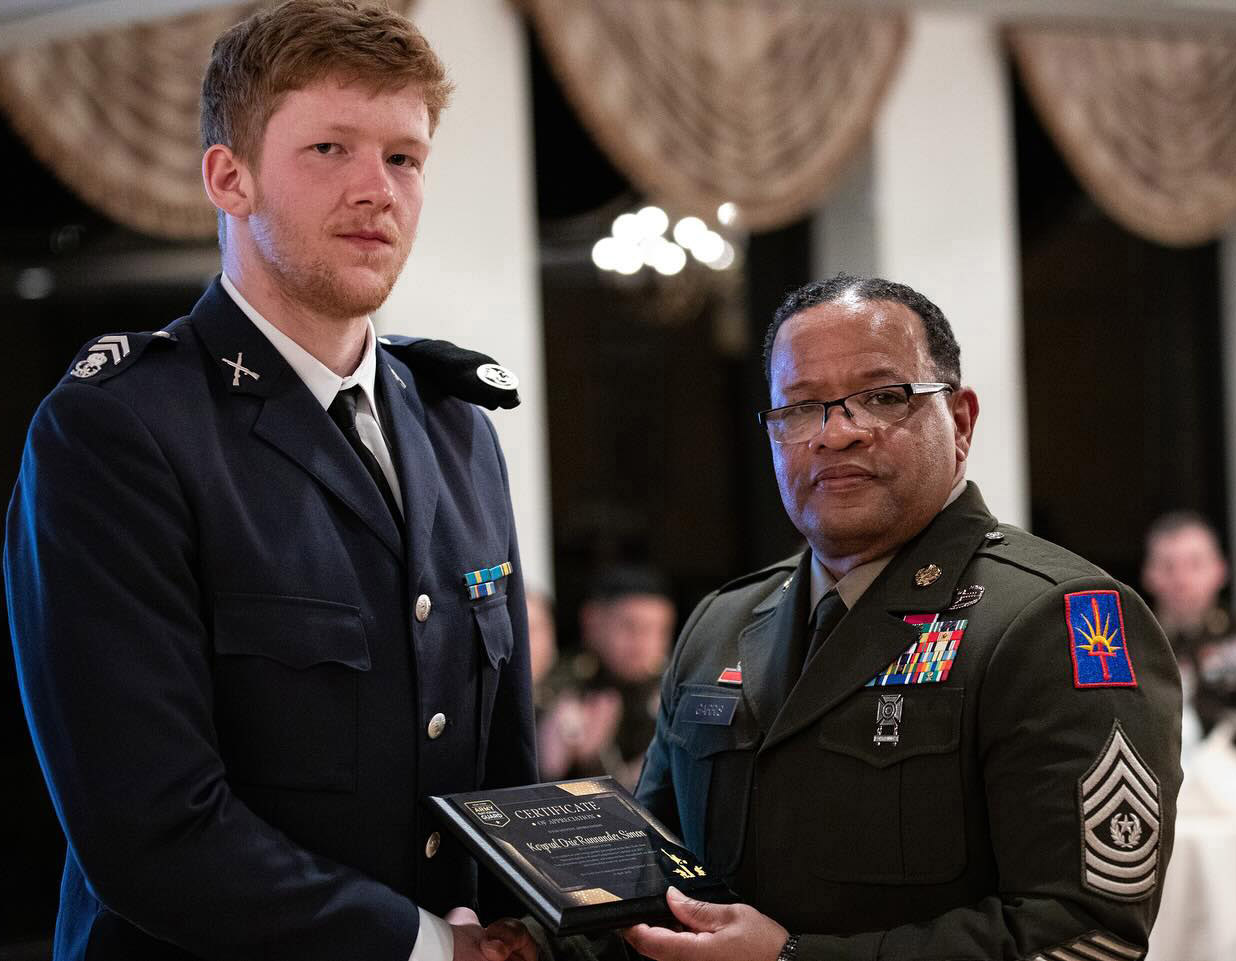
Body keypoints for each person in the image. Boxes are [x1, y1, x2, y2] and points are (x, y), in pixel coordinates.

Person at [4, 3, 537, 959]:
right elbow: (151, 831)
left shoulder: (458, 426)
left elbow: (505, 770)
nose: (377, 190)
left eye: (404, 157)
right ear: (229, 177)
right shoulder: (119, 430)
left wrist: (538, 922)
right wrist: (424, 946)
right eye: (330, 148)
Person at [624, 274, 1183, 961]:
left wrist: (795, 959)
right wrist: (537, 937)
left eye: (883, 397)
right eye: (799, 408)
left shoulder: (1057, 620)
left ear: (962, 422)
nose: (836, 433)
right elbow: (652, 876)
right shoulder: (721, 623)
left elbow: (1086, 935)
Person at [537, 567, 675, 788]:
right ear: (591, 621)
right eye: (630, 627)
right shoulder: (561, 688)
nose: (643, 643)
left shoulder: (673, 690)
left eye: (658, 630)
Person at [1142, 511, 1236, 741]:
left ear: (1221, 569)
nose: (1181, 580)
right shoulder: (1130, 646)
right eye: (1168, 566)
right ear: (1148, 574)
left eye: (1195, 565)